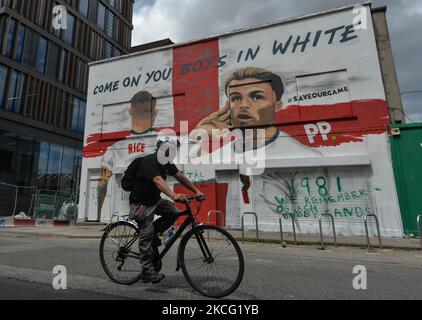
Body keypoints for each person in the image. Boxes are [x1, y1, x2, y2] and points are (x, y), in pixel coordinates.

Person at [194, 67, 321, 159]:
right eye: (236, 98)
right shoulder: (219, 155)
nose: (243, 105)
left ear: (277, 106)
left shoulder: (304, 156)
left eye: (256, 97)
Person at [129, 137, 205, 284]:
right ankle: (147, 271)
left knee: (174, 212)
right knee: (147, 233)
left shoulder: (167, 163)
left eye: (174, 149)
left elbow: (180, 177)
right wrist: (173, 195)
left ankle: (154, 234)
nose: (172, 152)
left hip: (155, 200)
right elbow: (158, 180)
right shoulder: (150, 161)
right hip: (141, 204)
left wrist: (196, 191)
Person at [97, 91, 158, 220]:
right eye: (139, 113)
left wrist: (97, 216)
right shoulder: (115, 148)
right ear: (130, 111)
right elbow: (102, 183)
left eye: (146, 112)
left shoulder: (162, 142)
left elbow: (102, 183)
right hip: (142, 199)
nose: (142, 117)